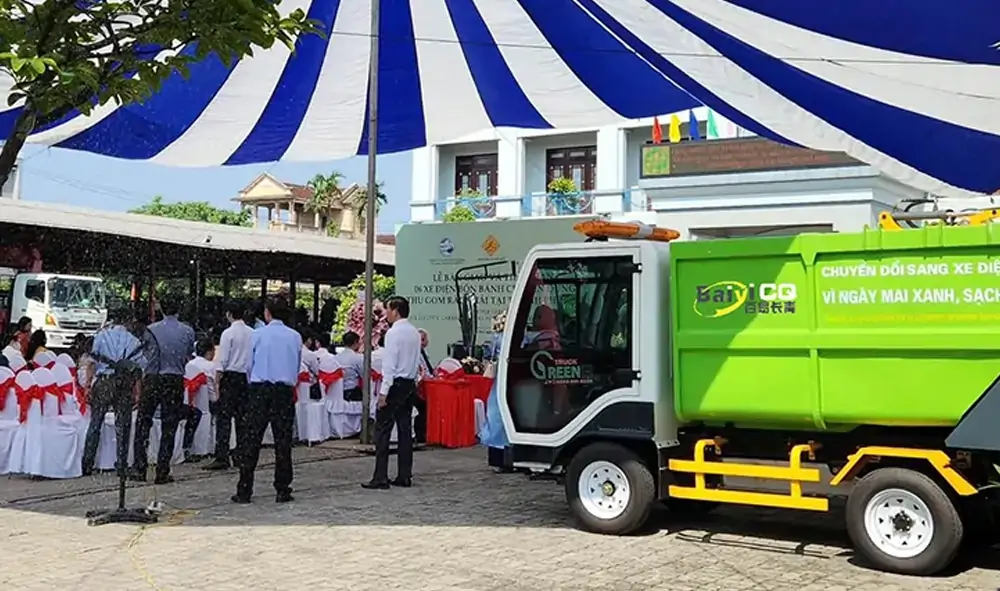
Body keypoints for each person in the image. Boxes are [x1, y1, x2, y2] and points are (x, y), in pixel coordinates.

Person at [233, 297, 301, 504]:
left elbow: (248, 365)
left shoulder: (257, 335)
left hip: (260, 389)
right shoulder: (295, 336)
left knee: (251, 439)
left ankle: (245, 489)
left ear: (267, 313)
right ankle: (282, 488)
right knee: (283, 441)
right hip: (284, 391)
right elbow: (296, 366)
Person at [132, 297, 195, 484]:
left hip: (153, 378)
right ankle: (162, 470)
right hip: (174, 379)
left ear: (162, 310)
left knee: (143, 422)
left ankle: (139, 468)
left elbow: (143, 353)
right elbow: (188, 353)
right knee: (170, 426)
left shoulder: (151, 330)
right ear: (179, 310)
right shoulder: (187, 331)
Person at [363, 296, 420, 490]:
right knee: (404, 430)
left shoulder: (394, 333)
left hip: (395, 384)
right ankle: (404, 474)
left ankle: (381, 476)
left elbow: (390, 366)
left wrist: (383, 393)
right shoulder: (414, 332)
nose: (385, 313)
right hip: (409, 383)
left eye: (387, 309)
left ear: (395, 310)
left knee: (382, 430)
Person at [81, 308, 146, 476]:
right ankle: (122, 464)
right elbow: (137, 370)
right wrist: (137, 392)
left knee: (95, 423)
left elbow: (92, 362)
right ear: (128, 322)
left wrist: (88, 385)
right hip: (124, 383)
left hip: (104, 381)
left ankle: (87, 463)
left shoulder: (101, 337)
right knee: (123, 425)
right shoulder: (133, 341)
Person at [204, 301, 253, 471]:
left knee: (224, 419)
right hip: (245, 378)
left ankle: (222, 455)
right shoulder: (252, 333)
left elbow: (223, 359)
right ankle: (241, 454)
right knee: (242, 419)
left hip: (230, 377)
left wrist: (217, 380)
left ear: (229, 314)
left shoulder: (228, 333)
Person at [181, 338, 213, 460]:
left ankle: (188, 447)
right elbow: (214, 394)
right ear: (210, 352)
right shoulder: (211, 366)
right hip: (207, 404)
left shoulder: (189, 365)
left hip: (189, 402)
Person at [415, 328, 433, 444]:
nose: (422, 342)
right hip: (418, 386)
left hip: (426, 384)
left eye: (424, 339)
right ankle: (420, 435)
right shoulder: (415, 353)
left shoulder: (423, 353)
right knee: (422, 408)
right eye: (420, 339)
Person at [335, 331, 365, 402]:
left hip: (337, 391)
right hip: (353, 392)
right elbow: (364, 374)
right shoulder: (357, 358)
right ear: (355, 342)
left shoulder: (336, 358)